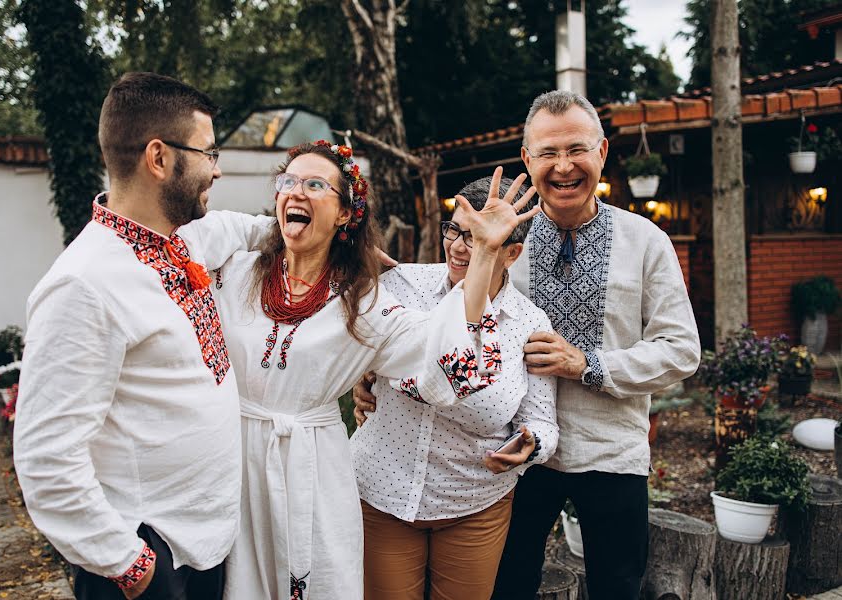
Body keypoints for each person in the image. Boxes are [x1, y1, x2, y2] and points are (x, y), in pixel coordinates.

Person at [178, 145, 540, 599]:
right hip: (234, 461)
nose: (296, 192)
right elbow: (178, 235)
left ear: (347, 213)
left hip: (313, 467)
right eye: (287, 182)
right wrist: (276, 226)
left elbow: (448, 366)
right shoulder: (235, 269)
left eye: (315, 185)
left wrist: (485, 254)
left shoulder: (361, 301)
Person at [13, 72, 248, 600]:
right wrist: (131, 565)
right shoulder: (84, 283)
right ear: (159, 158)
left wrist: (318, 240)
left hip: (205, 548)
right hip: (146, 563)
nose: (217, 168)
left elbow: (236, 228)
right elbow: (46, 458)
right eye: (209, 153)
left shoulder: (181, 239)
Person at [488, 90, 701, 599]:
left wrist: (588, 363)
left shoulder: (646, 240)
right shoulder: (498, 242)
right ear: (527, 160)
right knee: (506, 586)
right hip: (517, 452)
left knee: (617, 588)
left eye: (577, 149)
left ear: (602, 153)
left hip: (613, 451)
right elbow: (453, 328)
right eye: (547, 153)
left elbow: (681, 348)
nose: (563, 167)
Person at [349, 175, 559, 600]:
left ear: (513, 252)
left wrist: (531, 444)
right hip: (383, 490)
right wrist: (363, 377)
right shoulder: (402, 286)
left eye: (480, 238)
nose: (461, 246)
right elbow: (359, 347)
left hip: (473, 502)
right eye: (455, 230)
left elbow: (542, 420)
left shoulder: (528, 323)